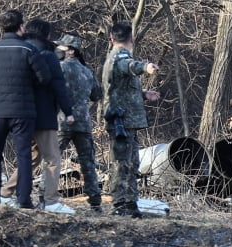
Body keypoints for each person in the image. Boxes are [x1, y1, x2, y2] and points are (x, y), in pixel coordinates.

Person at [0, 19, 76, 214]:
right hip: (44, 115)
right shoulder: (48, 56)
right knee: (52, 158)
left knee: (32, 157)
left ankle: (5, 192)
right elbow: (59, 86)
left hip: (21, 114)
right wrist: (68, 112)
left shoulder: (21, 51)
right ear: (47, 35)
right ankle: (51, 201)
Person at [0, 10, 50, 208]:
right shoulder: (28, 50)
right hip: (23, 111)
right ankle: (24, 199)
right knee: (23, 154)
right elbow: (44, 78)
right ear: (21, 27)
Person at [102, 22, 160, 218]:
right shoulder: (120, 57)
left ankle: (130, 204)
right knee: (122, 163)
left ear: (111, 40)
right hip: (122, 121)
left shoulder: (115, 57)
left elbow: (120, 89)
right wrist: (146, 67)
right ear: (131, 39)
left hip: (126, 119)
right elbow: (130, 66)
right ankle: (120, 205)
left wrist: (143, 95)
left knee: (131, 163)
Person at [55, 34, 103, 213]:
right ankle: (95, 201)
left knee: (52, 159)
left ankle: (45, 195)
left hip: (62, 121)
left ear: (71, 51)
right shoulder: (87, 71)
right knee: (88, 163)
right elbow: (97, 95)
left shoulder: (59, 68)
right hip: (83, 122)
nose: (58, 49)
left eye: (62, 47)